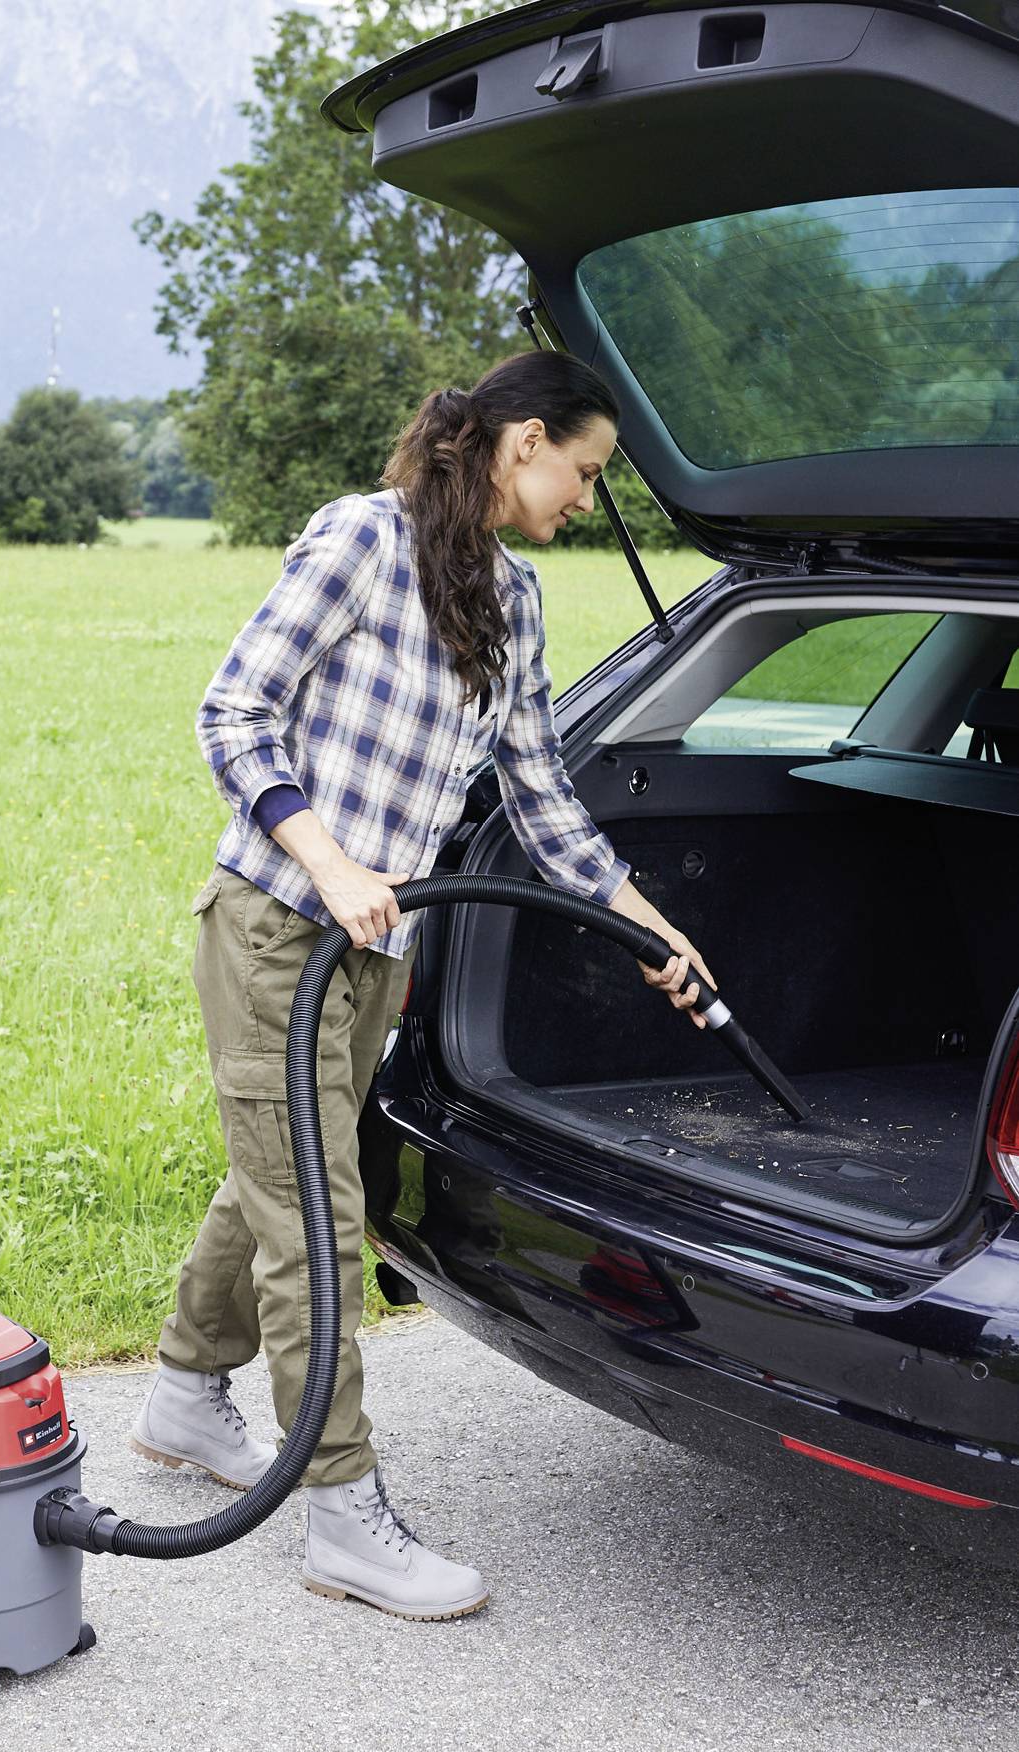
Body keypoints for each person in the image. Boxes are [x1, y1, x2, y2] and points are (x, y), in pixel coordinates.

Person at [130, 351, 716, 1622]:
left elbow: (541, 797)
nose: (583, 494)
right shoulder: (358, 539)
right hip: (279, 925)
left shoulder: (511, 595)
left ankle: (183, 1389)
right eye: (584, 467)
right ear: (518, 440)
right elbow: (232, 715)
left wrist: (648, 926)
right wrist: (332, 859)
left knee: (282, 1171)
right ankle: (342, 1511)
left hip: (376, 952)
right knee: (315, 1218)